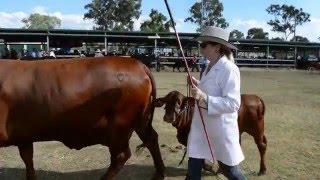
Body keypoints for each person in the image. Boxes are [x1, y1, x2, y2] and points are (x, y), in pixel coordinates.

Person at [186, 26, 246, 180]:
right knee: (193, 167)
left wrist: (204, 97)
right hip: (202, 128)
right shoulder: (208, 67)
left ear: (217, 47)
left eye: (204, 44)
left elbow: (233, 103)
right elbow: (211, 90)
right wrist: (197, 84)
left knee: (230, 171)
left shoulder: (229, 69)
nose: (201, 47)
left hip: (220, 130)